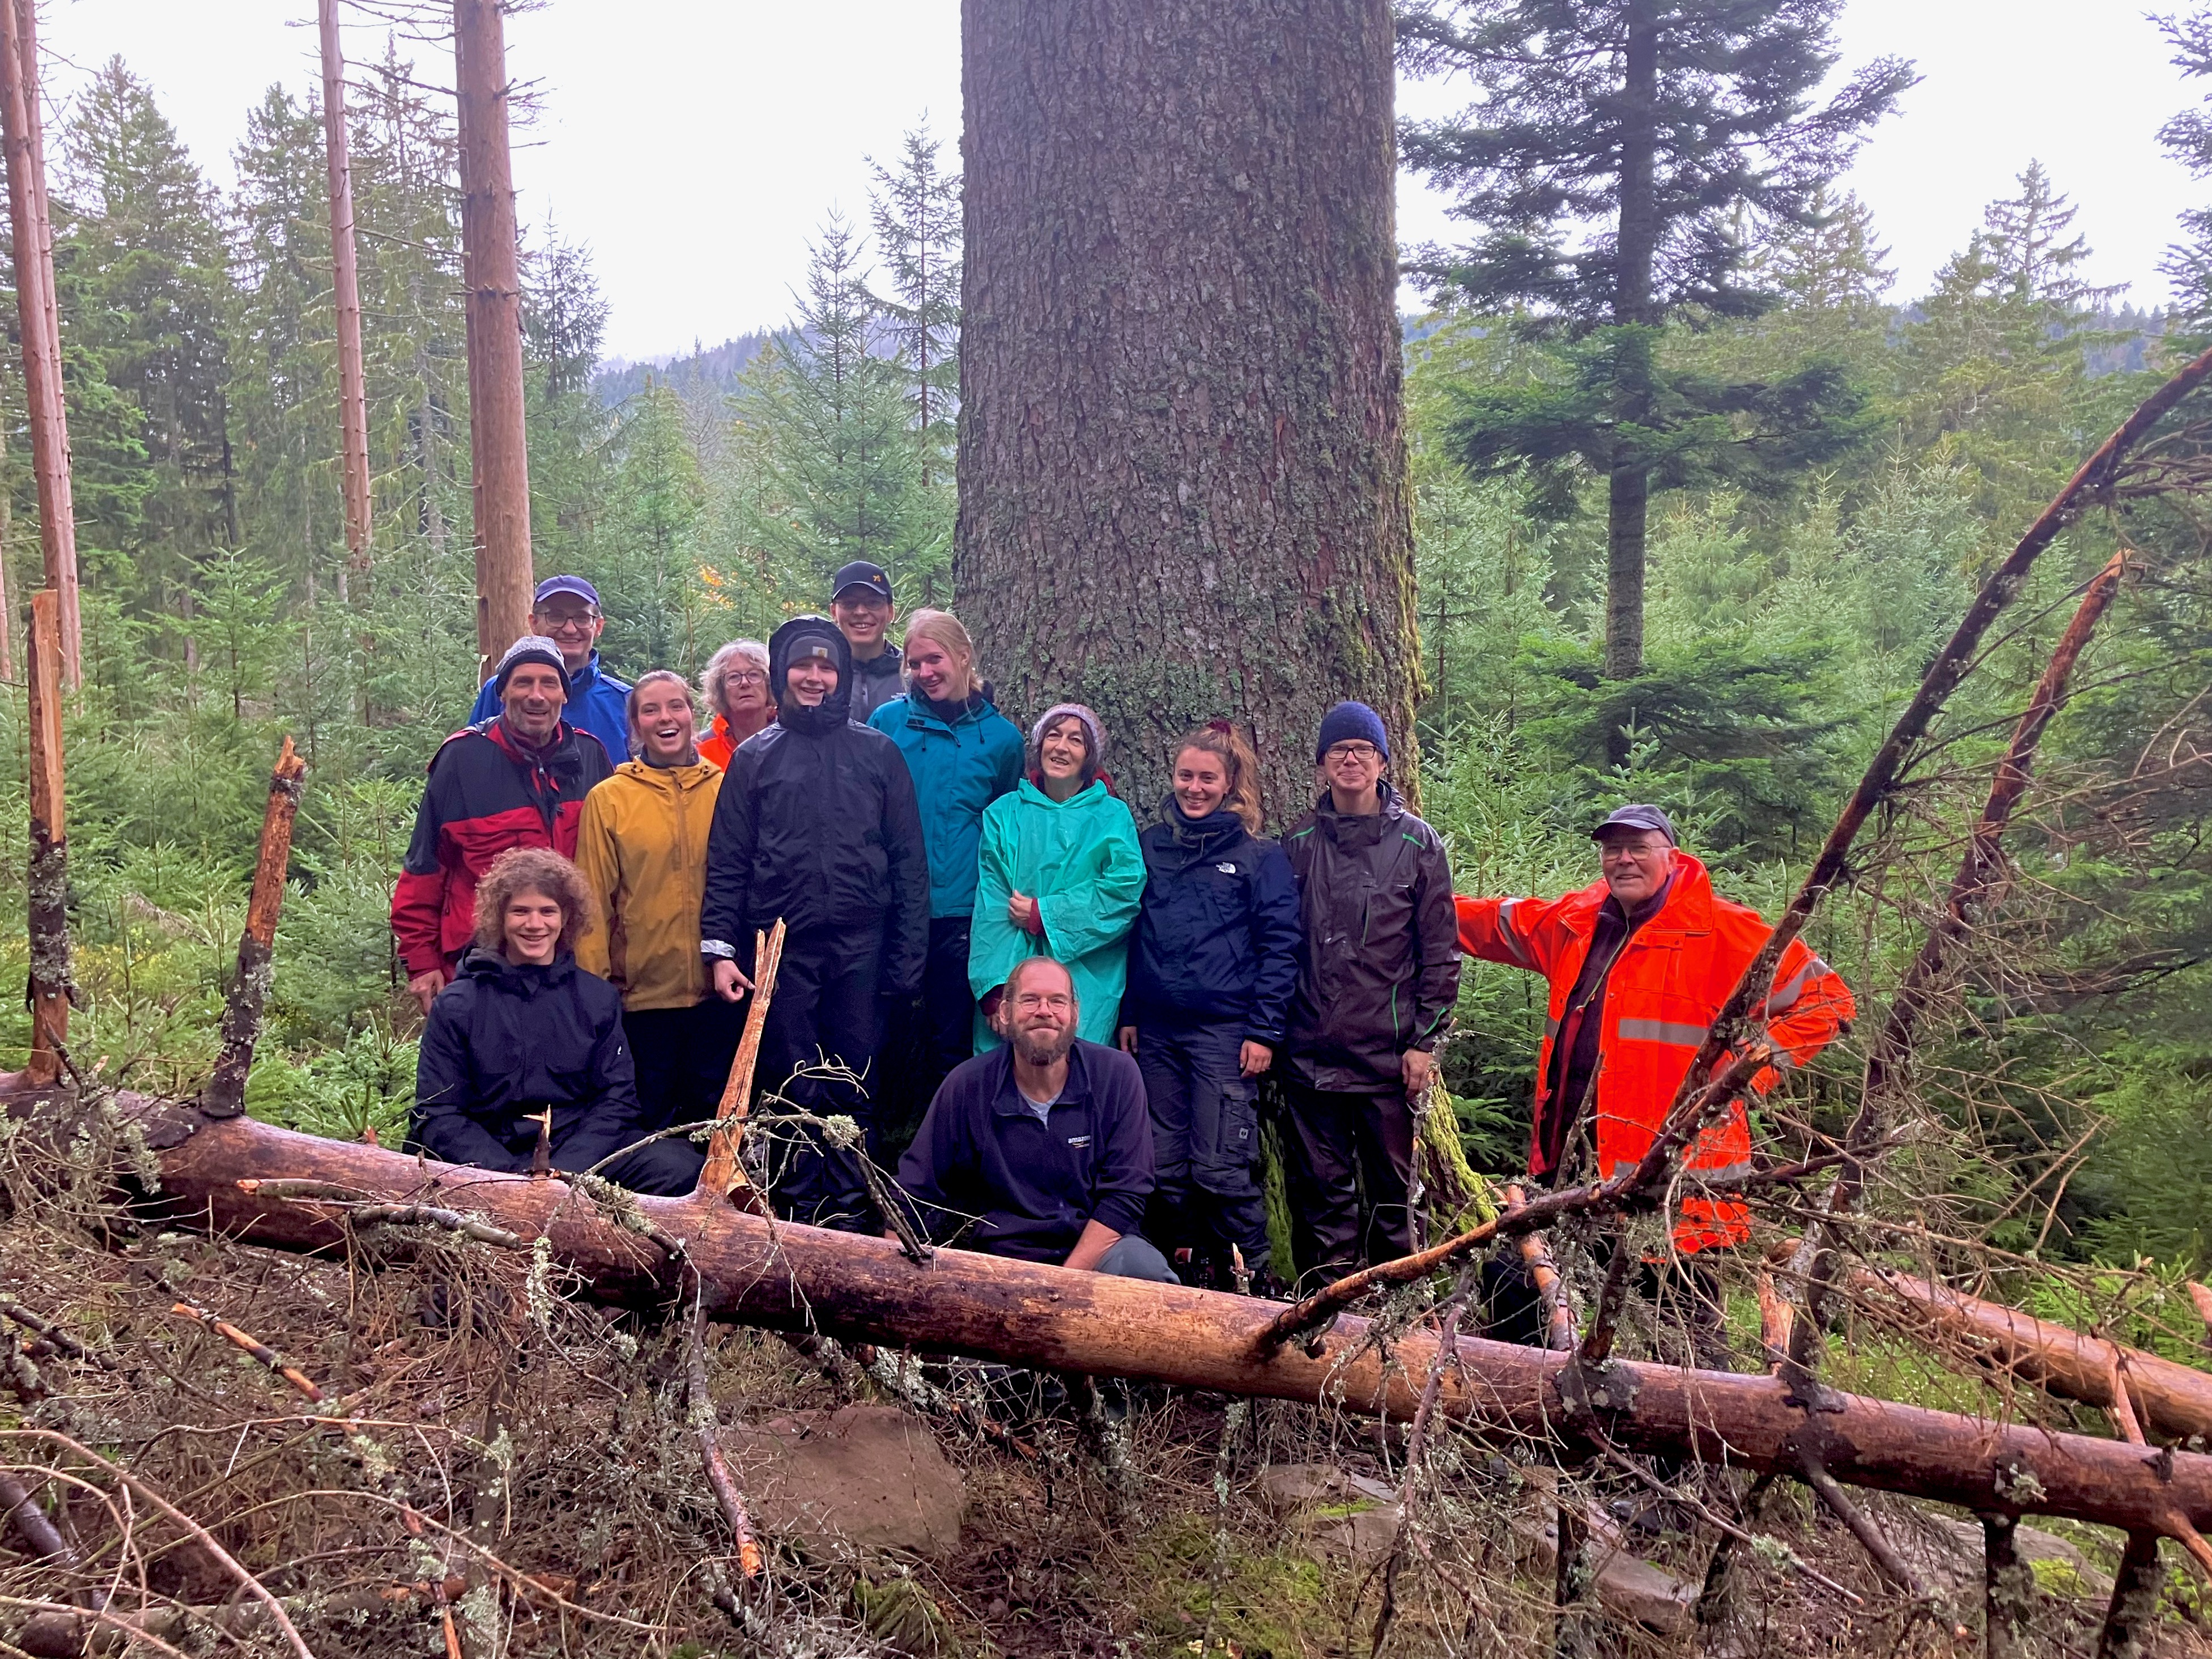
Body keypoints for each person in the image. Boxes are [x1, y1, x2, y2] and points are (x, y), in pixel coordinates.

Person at [1456, 803, 1855, 1257]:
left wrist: (1747, 1071)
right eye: (1613, 849)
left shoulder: (1723, 932)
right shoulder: (1576, 923)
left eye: (1639, 848)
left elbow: (1829, 1000)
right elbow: (1494, 922)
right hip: (1569, 1173)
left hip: (1679, 1189)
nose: (1624, 859)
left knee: (1676, 1317)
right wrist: (1415, 903)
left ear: (1672, 856)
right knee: (1529, 1292)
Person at [699, 615, 929, 1231]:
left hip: (863, 948)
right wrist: (720, 952)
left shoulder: (877, 753)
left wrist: (908, 962)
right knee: (792, 1082)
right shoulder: (755, 758)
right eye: (803, 666)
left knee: (855, 1081)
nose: (815, 677)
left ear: (842, 675)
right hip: (780, 953)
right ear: (784, 674)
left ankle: (853, 1209)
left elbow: (909, 862)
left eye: (827, 666)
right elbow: (728, 862)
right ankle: (800, 1212)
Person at [1278, 702, 1462, 1279]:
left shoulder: (1417, 844)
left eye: (1363, 750)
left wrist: (1425, 1042)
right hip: (1307, 1055)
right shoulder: (1298, 843)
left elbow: (1439, 949)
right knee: (1321, 1197)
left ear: (1383, 761)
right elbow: (1277, 946)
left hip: (1387, 1057)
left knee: (1395, 1199)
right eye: (1339, 751)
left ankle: (1399, 1312)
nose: (1351, 760)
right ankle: (1325, 1315)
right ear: (1321, 766)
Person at [1118, 722, 1301, 1294]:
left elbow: (1281, 945)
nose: (1193, 789)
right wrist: (1129, 1013)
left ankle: (1257, 1279)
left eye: (1206, 779)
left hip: (1226, 1033)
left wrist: (1264, 1032)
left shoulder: (1256, 857)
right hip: (1156, 1030)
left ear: (1229, 784)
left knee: (1222, 1165)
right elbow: (1131, 932)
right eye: (1185, 776)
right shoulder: (1150, 845)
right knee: (1164, 1167)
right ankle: (1182, 1271)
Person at [411, 847, 705, 1196]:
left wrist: (564, 1172)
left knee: (681, 1169)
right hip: (489, 1156)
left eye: (547, 911)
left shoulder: (596, 999)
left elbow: (617, 1099)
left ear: (566, 917)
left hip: (580, 1153)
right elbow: (438, 1111)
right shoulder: (458, 1005)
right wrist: (508, 1176)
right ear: (499, 917)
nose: (535, 925)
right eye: (521, 911)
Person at [896, 957, 1173, 1281]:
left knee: (1146, 1271)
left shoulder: (1117, 1076)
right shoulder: (968, 1085)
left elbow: (1127, 1194)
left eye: (1057, 1001)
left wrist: (1062, 1286)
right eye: (1030, 1000)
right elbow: (913, 1190)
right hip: (1002, 1257)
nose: (1045, 1011)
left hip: (1100, 1250)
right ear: (1005, 1013)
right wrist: (895, 1281)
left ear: (1075, 1014)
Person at [393, 636, 615, 1016]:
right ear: (502, 693)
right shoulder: (462, 760)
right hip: (481, 966)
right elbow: (424, 869)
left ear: (564, 694)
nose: (536, 696)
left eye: (549, 683)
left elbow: (617, 868)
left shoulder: (591, 756)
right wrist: (423, 962)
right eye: (523, 683)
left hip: (572, 966)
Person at [868, 609, 1024, 1114]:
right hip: (892, 907)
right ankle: (870, 1145)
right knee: (879, 1036)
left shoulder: (1002, 740)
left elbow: (1004, 823)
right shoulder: (887, 724)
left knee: (950, 1041)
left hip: (961, 911)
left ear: (963, 656)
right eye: (914, 663)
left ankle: (951, 1147)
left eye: (934, 659)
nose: (925, 671)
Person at [573, 670, 741, 1140]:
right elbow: (591, 905)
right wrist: (595, 995)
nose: (665, 718)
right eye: (651, 709)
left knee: (717, 1133)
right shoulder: (610, 799)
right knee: (649, 1132)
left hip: (719, 999)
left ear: (694, 715)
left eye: (676, 706)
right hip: (642, 1004)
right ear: (635, 725)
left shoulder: (726, 788)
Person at [969, 704, 1144, 1050]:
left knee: (1078, 1073)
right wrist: (994, 987)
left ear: (1089, 756)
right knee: (1004, 1078)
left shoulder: (1111, 816)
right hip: (1012, 977)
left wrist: (1045, 914)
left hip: (1088, 978)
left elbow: (1123, 894)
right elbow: (992, 903)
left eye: (1076, 740)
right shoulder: (1005, 815)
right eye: (1053, 735)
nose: (1062, 747)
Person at [469, 576, 633, 761]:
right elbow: (473, 760)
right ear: (534, 623)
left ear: (599, 626)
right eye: (556, 617)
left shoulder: (624, 701)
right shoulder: (500, 689)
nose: (570, 629)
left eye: (582, 617)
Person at [829, 561, 905, 724]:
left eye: (873, 603)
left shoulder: (912, 674)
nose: (861, 612)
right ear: (833, 612)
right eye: (849, 603)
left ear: (891, 612)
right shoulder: (821, 673)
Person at [696, 639, 775, 770]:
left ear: (769, 684)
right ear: (720, 690)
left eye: (754, 675)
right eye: (734, 677)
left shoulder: (789, 740)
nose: (745, 683)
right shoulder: (700, 750)